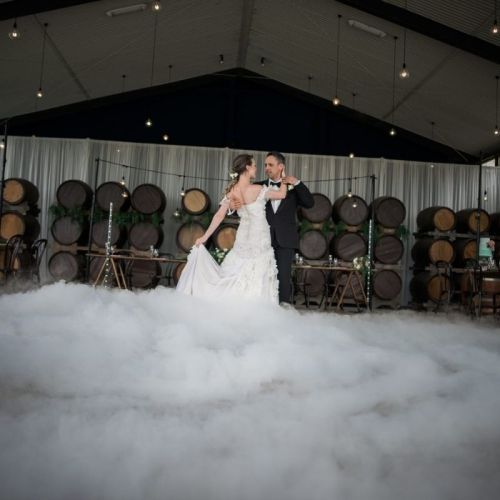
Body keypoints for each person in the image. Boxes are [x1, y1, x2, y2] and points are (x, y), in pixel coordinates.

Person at [176, 154, 289, 303]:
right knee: (258, 273)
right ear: (247, 167)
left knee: (237, 272)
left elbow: (218, 216)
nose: (256, 168)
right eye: (254, 165)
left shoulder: (232, 191)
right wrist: (283, 176)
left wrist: (204, 237)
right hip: (260, 238)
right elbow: (282, 194)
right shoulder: (258, 189)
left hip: (243, 239)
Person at [233, 151, 314, 305]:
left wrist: (297, 182)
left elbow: (310, 203)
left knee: (283, 278)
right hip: (262, 240)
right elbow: (247, 211)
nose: (266, 168)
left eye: (270, 165)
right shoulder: (258, 186)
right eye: (264, 165)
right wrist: (234, 206)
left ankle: (283, 311)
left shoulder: (293, 187)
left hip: (285, 241)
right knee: (262, 277)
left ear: (280, 166)